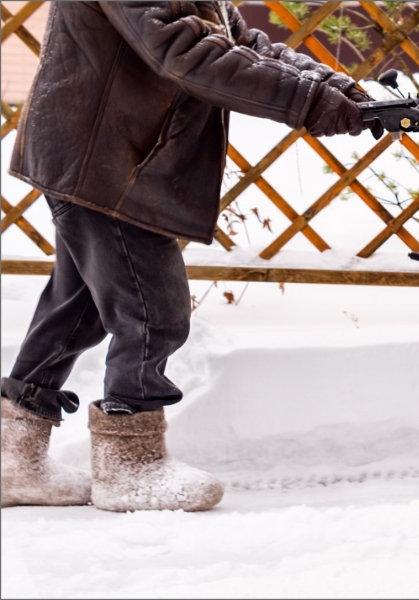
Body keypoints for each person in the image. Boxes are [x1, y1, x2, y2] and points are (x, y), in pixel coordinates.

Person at [1, 2, 372, 512]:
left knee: (76, 308)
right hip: (104, 159)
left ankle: (13, 460)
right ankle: (129, 466)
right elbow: (182, 50)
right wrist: (307, 100)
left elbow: (237, 42)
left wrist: (335, 87)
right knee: (152, 310)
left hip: (107, 153)